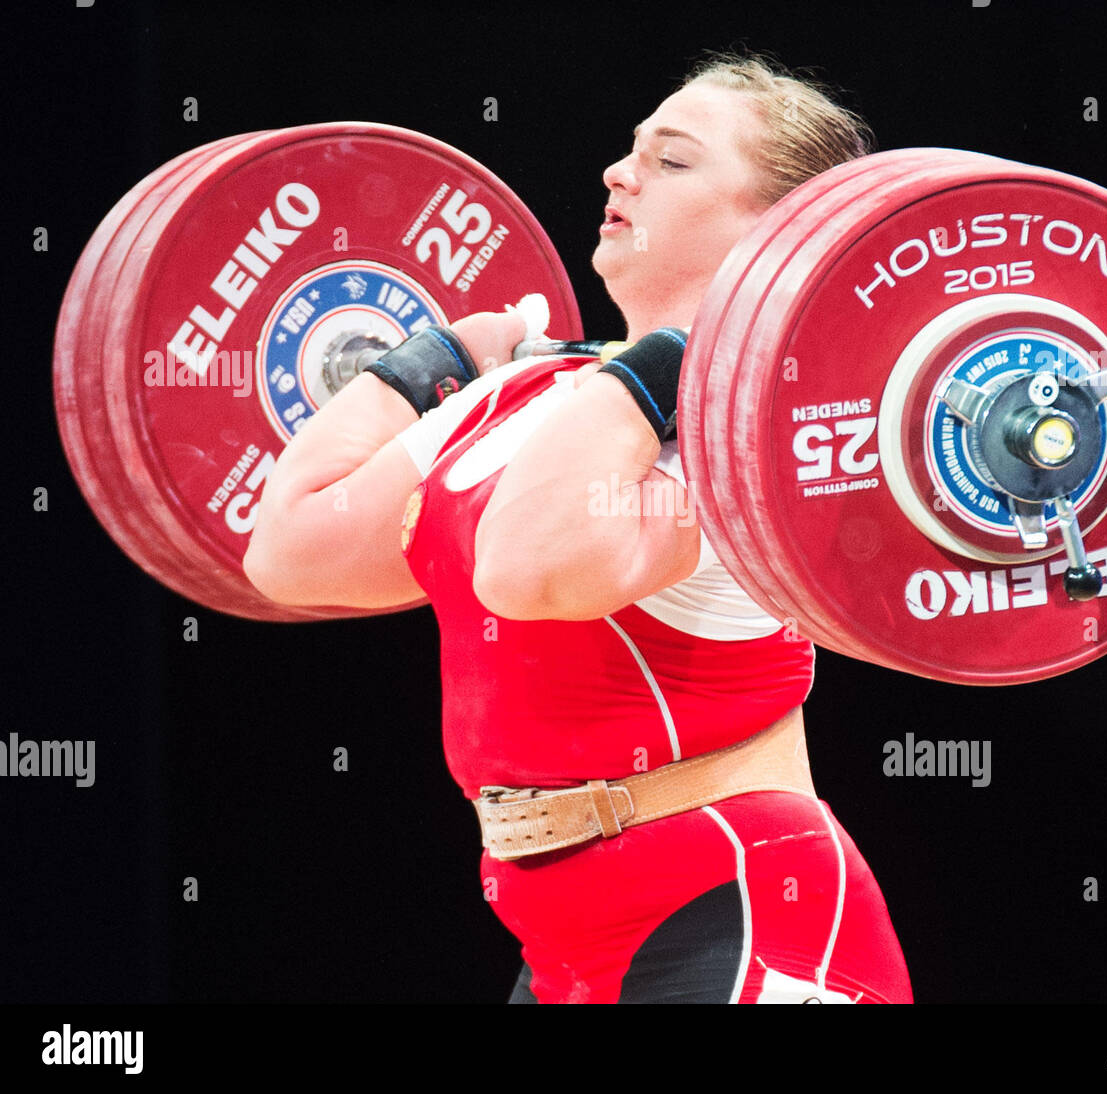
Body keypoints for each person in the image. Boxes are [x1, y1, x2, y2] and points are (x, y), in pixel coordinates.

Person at [243, 52, 912, 1004]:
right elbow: (293, 551)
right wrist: (426, 365)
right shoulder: (534, 392)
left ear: (781, 228)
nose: (618, 173)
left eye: (672, 161)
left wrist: (692, 348)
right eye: (629, 150)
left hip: (744, 904)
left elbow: (532, 569)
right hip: (557, 942)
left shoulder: (765, 432)